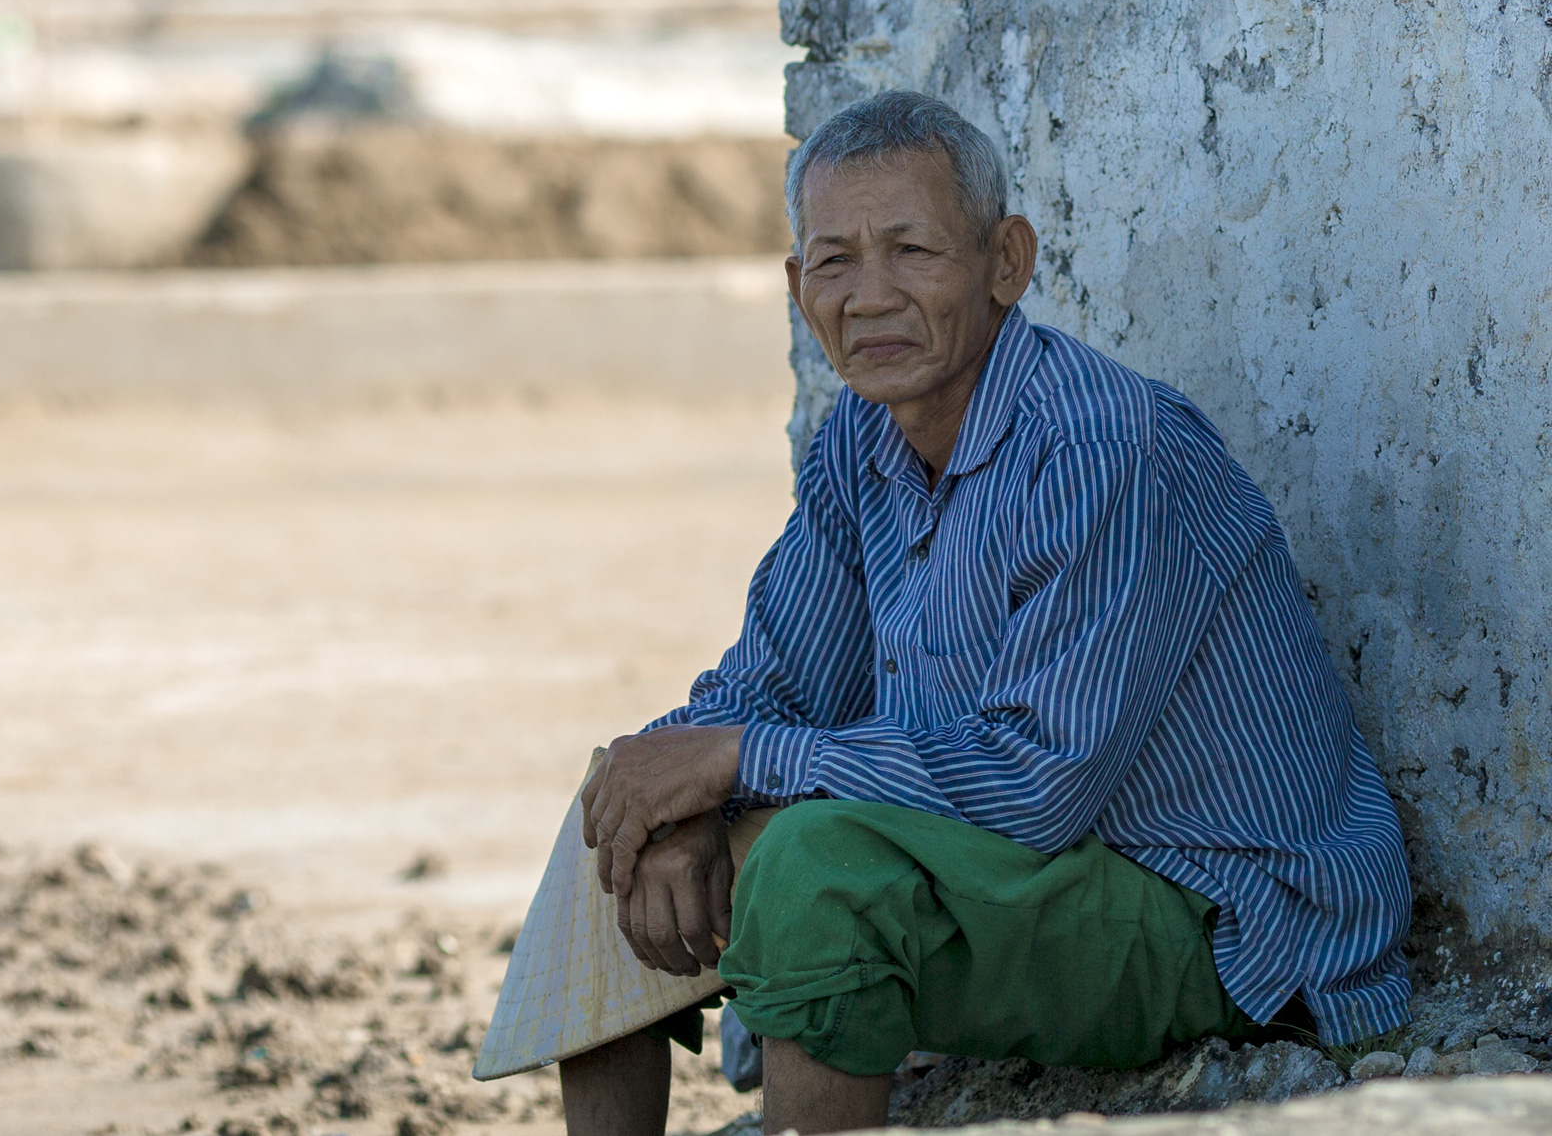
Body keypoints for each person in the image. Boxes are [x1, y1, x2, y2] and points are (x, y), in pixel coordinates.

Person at [552, 91, 1411, 1134]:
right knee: (618, 805)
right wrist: (675, 793)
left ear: (1005, 260)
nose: (867, 296)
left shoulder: (1100, 449)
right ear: (794, 287)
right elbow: (767, 683)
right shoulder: (859, 445)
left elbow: (1033, 783)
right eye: (832, 261)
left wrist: (735, 763)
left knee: (817, 867)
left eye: (911, 250)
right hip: (1024, 868)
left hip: (1213, 908)